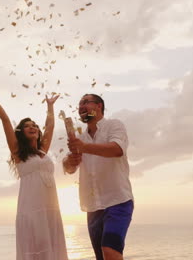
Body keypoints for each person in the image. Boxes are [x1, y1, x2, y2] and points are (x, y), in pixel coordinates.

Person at [0, 79, 68, 260]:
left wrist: (50, 106)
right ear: (22, 132)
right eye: (27, 126)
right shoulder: (18, 152)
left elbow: (50, 126)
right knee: (36, 246)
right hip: (31, 209)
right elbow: (5, 120)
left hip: (50, 208)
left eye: (34, 125)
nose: (32, 127)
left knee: (52, 247)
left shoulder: (43, 150)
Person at [63, 94, 134, 260]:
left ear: (99, 106)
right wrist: (70, 161)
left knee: (109, 250)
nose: (81, 107)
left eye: (86, 102)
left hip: (118, 201)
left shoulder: (114, 125)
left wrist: (85, 148)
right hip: (93, 207)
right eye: (79, 104)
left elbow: (116, 149)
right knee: (101, 257)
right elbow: (69, 168)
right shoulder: (80, 138)